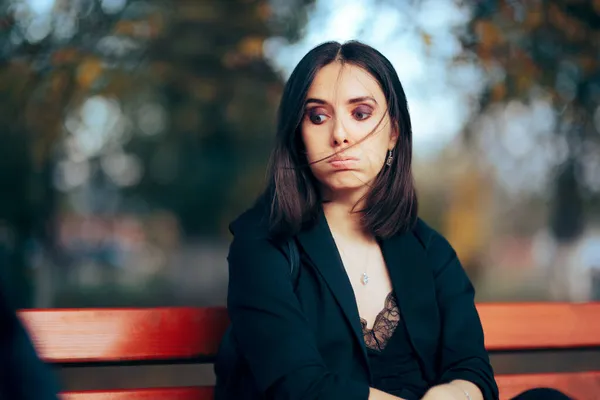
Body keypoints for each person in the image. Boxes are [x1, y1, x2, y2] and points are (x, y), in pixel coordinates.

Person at [214, 41, 572, 400]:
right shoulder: (262, 244)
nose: (340, 134)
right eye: (318, 116)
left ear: (394, 133)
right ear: (298, 135)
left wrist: (454, 394)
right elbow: (298, 386)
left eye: (361, 113)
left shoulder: (429, 249)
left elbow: (471, 368)